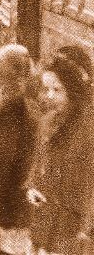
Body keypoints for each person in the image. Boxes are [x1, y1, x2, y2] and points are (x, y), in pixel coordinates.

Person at [28, 45, 94, 255]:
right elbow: (39, 163)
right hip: (45, 222)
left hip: (74, 230)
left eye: (57, 90)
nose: (49, 96)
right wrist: (33, 186)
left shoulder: (88, 130)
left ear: (75, 92)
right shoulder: (48, 121)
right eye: (46, 88)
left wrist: (87, 229)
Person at [0, 44, 37, 255]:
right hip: (28, 189)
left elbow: (4, 157)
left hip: (10, 192)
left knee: (5, 246)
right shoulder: (33, 103)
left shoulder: (6, 111)